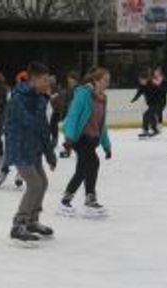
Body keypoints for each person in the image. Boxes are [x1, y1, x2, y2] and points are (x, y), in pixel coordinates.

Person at [0, 62, 57, 242]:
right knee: (35, 184)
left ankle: (32, 220)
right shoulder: (18, 98)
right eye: (45, 80)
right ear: (33, 80)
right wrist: (44, 101)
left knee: (43, 183)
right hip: (19, 148)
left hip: (34, 149)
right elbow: (31, 123)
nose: (48, 84)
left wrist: (49, 154)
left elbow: (43, 128)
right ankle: (18, 224)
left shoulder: (38, 97)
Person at [59, 67, 113, 218]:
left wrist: (106, 145)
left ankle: (65, 201)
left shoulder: (103, 98)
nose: (107, 83)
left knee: (82, 170)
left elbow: (101, 124)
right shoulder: (83, 94)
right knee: (93, 162)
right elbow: (73, 115)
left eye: (108, 80)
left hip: (92, 139)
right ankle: (90, 200)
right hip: (80, 138)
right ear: (96, 81)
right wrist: (69, 138)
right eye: (105, 80)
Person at [131, 70, 167, 138]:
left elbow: (162, 90)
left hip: (159, 103)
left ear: (146, 79)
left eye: (142, 80)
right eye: (140, 80)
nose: (140, 81)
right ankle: (149, 130)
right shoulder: (142, 85)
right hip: (152, 104)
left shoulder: (153, 84)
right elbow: (139, 92)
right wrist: (135, 98)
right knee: (148, 115)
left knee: (147, 114)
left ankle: (151, 129)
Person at [55, 71, 79, 159]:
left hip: (74, 115)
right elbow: (65, 103)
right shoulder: (68, 89)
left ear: (75, 80)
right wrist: (63, 115)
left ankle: (76, 150)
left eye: (71, 79)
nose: (69, 80)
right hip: (68, 115)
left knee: (73, 134)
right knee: (67, 134)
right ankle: (67, 150)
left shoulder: (78, 90)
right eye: (68, 79)